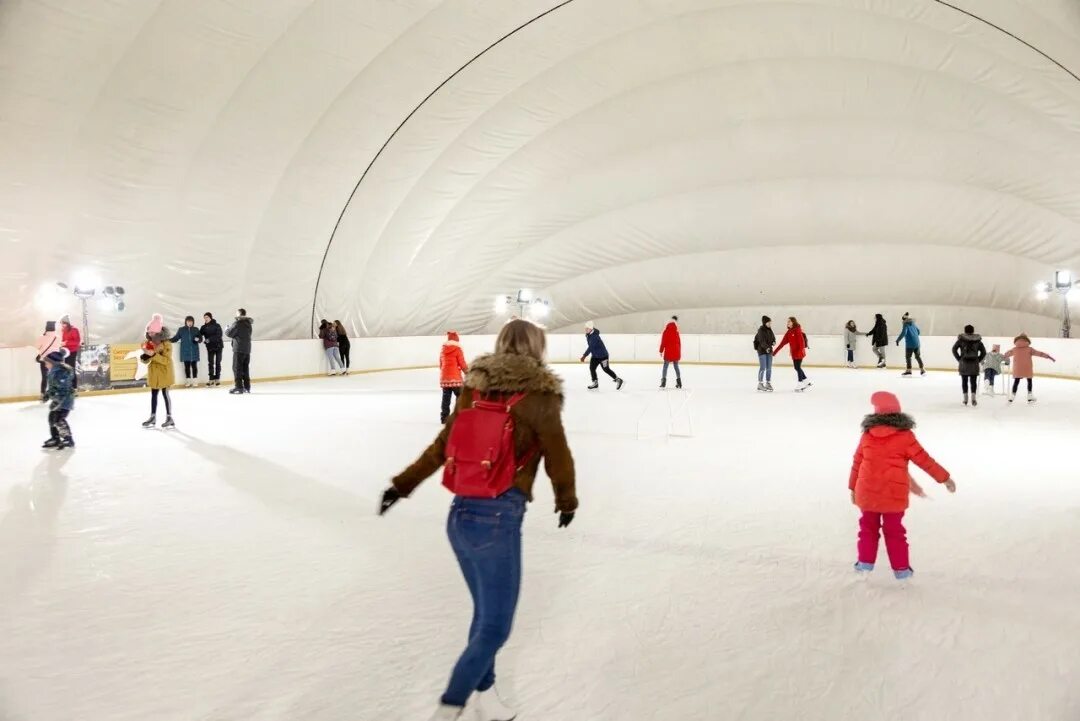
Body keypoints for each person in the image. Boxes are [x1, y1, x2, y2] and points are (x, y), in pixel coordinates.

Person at [377, 319, 578, 721]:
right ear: (539, 348)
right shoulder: (541, 395)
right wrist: (566, 501)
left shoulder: (476, 385)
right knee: (494, 630)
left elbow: (442, 444)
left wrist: (401, 485)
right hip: (499, 520)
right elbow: (558, 454)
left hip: (460, 517)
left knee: (484, 616)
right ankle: (449, 707)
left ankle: (485, 699)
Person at [848, 391, 955, 580]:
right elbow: (924, 460)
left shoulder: (867, 435)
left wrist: (852, 487)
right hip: (893, 493)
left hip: (867, 491)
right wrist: (944, 478)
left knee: (867, 528)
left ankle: (865, 564)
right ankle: (902, 570)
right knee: (895, 531)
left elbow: (857, 462)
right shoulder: (905, 436)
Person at [141, 314, 176, 429]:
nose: (149, 334)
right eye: (148, 332)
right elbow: (147, 360)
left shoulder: (167, 344)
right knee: (154, 395)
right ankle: (153, 417)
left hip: (165, 373)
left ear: (157, 332)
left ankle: (169, 417)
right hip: (154, 373)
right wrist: (144, 357)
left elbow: (166, 361)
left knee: (165, 394)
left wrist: (153, 355)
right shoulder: (149, 343)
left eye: (151, 332)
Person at [1004, 333, 1056, 404]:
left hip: (1018, 368)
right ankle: (1030, 397)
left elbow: (1006, 355)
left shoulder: (1014, 349)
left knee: (1016, 381)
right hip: (1027, 367)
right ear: (1026, 340)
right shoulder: (1029, 349)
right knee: (1029, 380)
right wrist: (1048, 357)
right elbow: (1039, 353)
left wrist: (999, 357)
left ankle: (1012, 397)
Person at [41, 350, 76, 449]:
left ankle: (68, 440)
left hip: (65, 401)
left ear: (53, 363)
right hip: (58, 400)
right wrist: (47, 395)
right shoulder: (53, 372)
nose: (45, 365)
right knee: (52, 418)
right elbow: (53, 388)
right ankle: (55, 438)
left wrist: (57, 401)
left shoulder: (60, 373)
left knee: (59, 420)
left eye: (47, 363)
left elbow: (63, 389)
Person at [580, 321, 623, 391]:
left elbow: (591, 347)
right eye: (585, 328)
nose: (585, 330)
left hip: (603, 356)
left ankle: (618, 380)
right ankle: (595, 383)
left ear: (591, 329)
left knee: (606, 369)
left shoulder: (594, 336)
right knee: (592, 368)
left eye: (587, 328)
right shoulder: (588, 334)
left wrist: (584, 356)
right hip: (595, 356)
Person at [952, 324, 987, 407]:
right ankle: (973, 398)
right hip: (974, 363)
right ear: (973, 331)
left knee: (964, 381)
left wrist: (959, 359)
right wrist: (978, 359)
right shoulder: (978, 340)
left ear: (965, 331)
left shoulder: (961, 340)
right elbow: (984, 352)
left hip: (964, 363)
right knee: (973, 382)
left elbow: (954, 349)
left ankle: (965, 399)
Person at [773, 316, 811, 391]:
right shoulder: (789, 332)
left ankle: (800, 383)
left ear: (793, 322)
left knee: (797, 367)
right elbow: (782, 343)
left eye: (789, 321)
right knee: (797, 367)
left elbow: (801, 342)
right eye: (787, 321)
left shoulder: (797, 330)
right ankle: (806, 382)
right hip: (794, 353)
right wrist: (774, 352)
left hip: (799, 352)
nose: (788, 323)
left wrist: (800, 352)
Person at [439, 331, 468, 424]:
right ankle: (458, 416)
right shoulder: (458, 349)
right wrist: (467, 372)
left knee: (446, 398)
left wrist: (445, 374)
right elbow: (462, 363)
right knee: (460, 397)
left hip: (445, 378)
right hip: (455, 378)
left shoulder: (443, 350)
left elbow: (441, 364)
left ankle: (444, 418)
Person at [171, 316, 203, 387]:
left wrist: (198, 339)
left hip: (194, 351)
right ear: (186, 322)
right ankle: (188, 381)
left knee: (194, 366)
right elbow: (176, 338)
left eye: (191, 321)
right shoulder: (181, 330)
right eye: (188, 321)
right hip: (185, 351)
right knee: (187, 366)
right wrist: (167, 340)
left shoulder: (196, 329)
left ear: (193, 322)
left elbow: (200, 339)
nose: (190, 323)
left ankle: (195, 381)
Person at [226, 309, 254, 394]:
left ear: (239, 315)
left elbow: (229, 333)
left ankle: (238, 387)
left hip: (238, 349)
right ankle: (247, 387)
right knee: (245, 368)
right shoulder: (249, 324)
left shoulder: (237, 324)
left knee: (237, 368)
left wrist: (226, 328)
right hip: (247, 349)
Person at [35, 321, 61, 402]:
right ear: (54, 328)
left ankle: (43, 394)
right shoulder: (58, 337)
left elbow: (37, 347)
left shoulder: (41, 337)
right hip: (55, 359)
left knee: (45, 377)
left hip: (45, 359)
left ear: (46, 328)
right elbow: (59, 346)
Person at [199, 313, 224, 386]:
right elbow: (199, 334)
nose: (205, 319)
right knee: (210, 363)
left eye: (207, 317)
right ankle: (211, 379)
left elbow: (219, 335)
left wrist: (209, 339)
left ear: (210, 317)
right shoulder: (203, 327)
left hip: (219, 346)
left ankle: (217, 379)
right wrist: (197, 338)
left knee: (218, 363)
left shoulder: (217, 325)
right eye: (204, 318)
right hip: (210, 347)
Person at [659, 315, 682, 389]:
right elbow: (679, 343)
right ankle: (679, 382)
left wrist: (661, 351)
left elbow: (663, 342)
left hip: (668, 352)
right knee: (676, 366)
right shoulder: (676, 332)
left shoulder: (666, 332)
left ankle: (663, 382)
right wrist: (679, 352)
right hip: (676, 351)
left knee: (665, 367)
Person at [59, 315, 82, 389]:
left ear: (67, 323)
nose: (62, 325)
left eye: (63, 323)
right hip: (66, 352)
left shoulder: (74, 330)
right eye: (61, 323)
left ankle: (74, 388)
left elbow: (77, 342)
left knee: (71, 369)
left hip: (72, 351)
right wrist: (61, 344)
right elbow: (63, 340)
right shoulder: (64, 330)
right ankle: (68, 387)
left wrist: (66, 343)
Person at [754, 316, 776, 392]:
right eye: (768, 322)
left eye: (770, 322)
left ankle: (768, 383)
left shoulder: (770, 330)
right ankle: (760, 384)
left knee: (769, 368)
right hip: (762, 351)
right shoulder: (761, 330)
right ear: (765, 322)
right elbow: (761, 341)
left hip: (769, 351)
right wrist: (766, 348)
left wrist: (773, 342)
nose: (770, 324)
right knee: (763, 367)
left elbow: (773, 338)